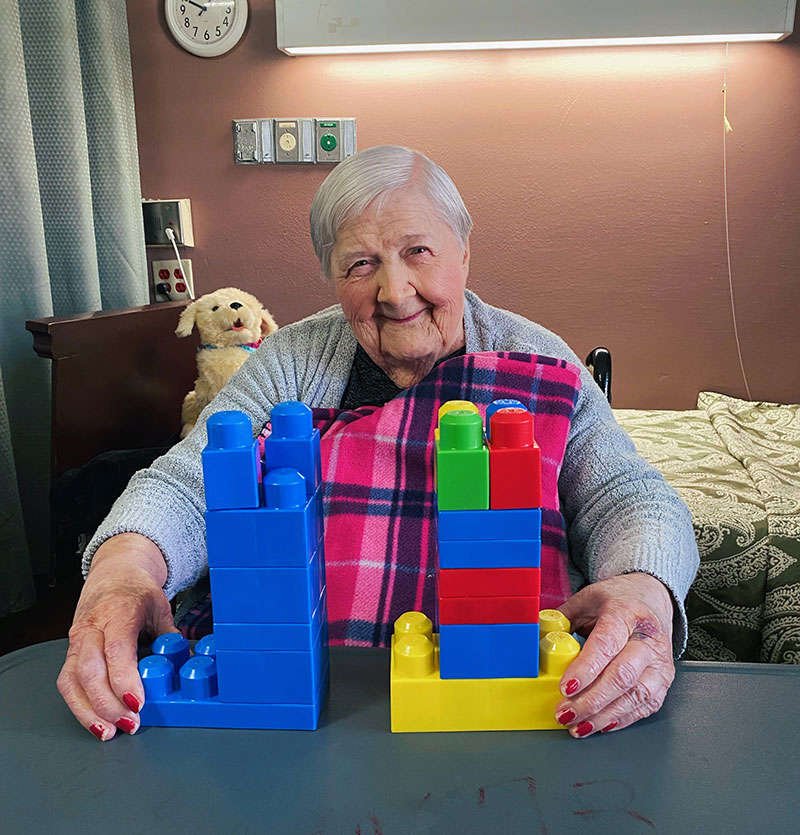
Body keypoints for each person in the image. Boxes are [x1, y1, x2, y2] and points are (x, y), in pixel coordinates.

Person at [57, 145, 699, 742]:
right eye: (360, 265)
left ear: (464, 251)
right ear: (331, 277)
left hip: (506, 703)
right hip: (309, 705)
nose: (394, 292)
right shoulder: (291, 360)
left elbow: (627, 494)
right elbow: (189, 483)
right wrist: (124, 569)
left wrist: (643, 587)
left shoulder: (539, 361)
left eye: (419, 251)